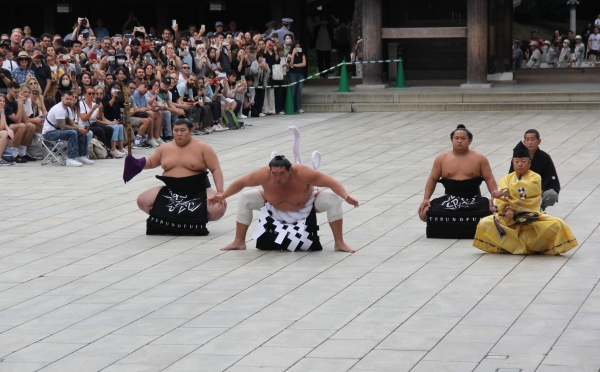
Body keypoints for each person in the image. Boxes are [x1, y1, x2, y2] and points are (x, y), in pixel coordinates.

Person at [208, 152, 359, 252]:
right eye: (274, 174)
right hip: (273, 204)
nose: (277, 178)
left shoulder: (303, 173)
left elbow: (331, 182)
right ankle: (239, 241)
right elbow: (241, 183)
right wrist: (223, 195)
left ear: (290, 171)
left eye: (282, 174)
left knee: (333, 199)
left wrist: (346, 197)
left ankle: (339, 243)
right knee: (245, 198)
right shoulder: (263, 174)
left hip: (307, 203)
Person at [473, 145, 577, 255]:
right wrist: (507, 208)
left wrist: (508, 195)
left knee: (558, 224)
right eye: (516, 161)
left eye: (523, 161)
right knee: (484, 223)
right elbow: (500, 201)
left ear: (529, 163)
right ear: (512, 163)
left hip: (531, 216)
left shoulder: (535, 177)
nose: (519, 164)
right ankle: (509, 246)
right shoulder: (506, 179)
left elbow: (528, 195)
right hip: (509, 219)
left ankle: (534, 246)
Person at [128, 119, 226, 235]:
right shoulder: (164, 148)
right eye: (176, 130)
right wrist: (136, 163)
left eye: (183, 130)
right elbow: (151, 162)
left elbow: (216, 169)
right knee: (142, 200)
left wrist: (220, 192)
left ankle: (191, 220)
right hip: (171, 190)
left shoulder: (203, 148)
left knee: (217, 208)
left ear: (191, 130)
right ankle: (169, 220)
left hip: (197, 190)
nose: (179, 134)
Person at [418, 125, 498, 239]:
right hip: (449, 199)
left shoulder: (480, 158)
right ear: (452, 140)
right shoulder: (441, 159)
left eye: (463, 138)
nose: (459, 141)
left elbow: (489, 178)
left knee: (495, 211)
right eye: (456, 138)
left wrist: (494, 198)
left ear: (470, 141)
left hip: (473, 200)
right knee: (423, 213)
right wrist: (426, 199)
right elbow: (432, 179)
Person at [508, 130, 560, 211]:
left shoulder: (545, 157)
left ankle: (539, 208)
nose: (530, 142)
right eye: (527, 140)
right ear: (524, 142)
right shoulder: (518, 157)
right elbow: (511, 176)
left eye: (532, 139)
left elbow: (550, 179)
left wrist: (538, 191)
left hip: (539, 192)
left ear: (539, 141)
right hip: (520, 191)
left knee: (551, 194)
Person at [42, 90, 93, 167]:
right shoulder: (58, 109)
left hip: (57, 131)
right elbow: (63, 127)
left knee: (82, 132)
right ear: (62, 98)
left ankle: (81, 156)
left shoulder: (68, 109)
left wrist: (81, 128)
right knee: (72, 133)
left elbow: (72, 123)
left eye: (70, 99)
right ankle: (71, 159)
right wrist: (78, 129)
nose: (69, 101)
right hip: (49, 133)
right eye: (67, 99)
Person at [4, 82, 37, 163]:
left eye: (18, 92)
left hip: (13, 125)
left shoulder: (15, 101)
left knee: (30, 126)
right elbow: (17, 120)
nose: (17, 94)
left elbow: (25, 120)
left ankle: (22, 152)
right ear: (9, 91)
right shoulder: (5, 102)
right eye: (15, 92)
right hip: (6, 127)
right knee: (21, 126)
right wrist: (19, 104)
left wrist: (21, 105)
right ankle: (14, 153)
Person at [288, 42, 306, 114]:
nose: (298, 48)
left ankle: (298, 107)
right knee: (293, 90)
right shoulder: (289, 54)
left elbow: (304, 64)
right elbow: (290, 64)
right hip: (292, 73)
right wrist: (293, 54)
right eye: (296, 46)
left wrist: (295, 65)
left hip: (300, 73)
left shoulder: (302, 54)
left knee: (299, 90)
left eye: (299, 46)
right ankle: (292, 106)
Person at [0, 94, 15, 165]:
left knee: (10, 132)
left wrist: (9, 130)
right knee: (4, 133)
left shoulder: (2, 111)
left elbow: (5, 125)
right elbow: (1, 127)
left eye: (3, 101)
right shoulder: (2, 112)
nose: (2, 102)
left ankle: (8, 156)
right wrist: (2, 113)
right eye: (0, 101)